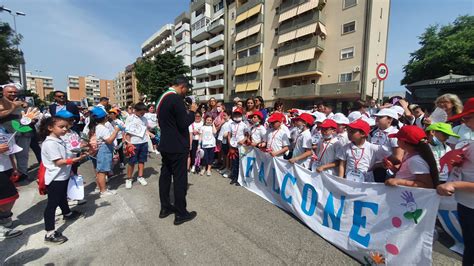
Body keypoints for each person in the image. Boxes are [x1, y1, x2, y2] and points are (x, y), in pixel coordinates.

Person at [436, 99, 474, 265]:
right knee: (470, 248)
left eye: (467, 119)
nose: (464, 123)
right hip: (465, 204)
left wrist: (454, 185)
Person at [157, 77, 198, 225]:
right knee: (180, 179)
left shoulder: (162, 98)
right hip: (177, 146)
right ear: (182, 86)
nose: (186, 92)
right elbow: (183, 123)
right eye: (186, 89)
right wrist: (192, 112)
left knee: (165, 176)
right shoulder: (175, 99)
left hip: (166, 144)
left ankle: (165, 207)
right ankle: (181, 213)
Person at [39, 116, 86, 244]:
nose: (65, 129)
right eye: (61, 127)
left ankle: (67, 213)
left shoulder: (58, 140)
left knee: (61, 197)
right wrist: (75, 160)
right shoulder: (50, 143)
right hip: (55, 178)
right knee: (52, 204)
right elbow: (59, 162)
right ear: (50, 128)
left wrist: (80, 150)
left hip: (63, 175)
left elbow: (66, 154)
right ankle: (49, 233)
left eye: (66, 126)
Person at [0, 84, 32, 181]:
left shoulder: (23, 103)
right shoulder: (1, 103)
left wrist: (32, 119)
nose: (13, 94)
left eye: (15, 92)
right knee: (7, 156)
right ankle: (10, 174)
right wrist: (13, 107)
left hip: (23, 133)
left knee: (23, 155)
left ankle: (22, 173)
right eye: (10, 92)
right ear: (3, 93)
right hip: (6, 134)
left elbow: (32, 113)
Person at [370, 108, 404, 182]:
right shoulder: (375, 132)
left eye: (380, 117)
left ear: (390, 120)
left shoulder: (395, 133)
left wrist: (390, 174)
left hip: (385, 171)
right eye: (377, 117)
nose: (377, 119)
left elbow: (398, 159)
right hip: (372, 169)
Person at [0, 126, 22, 239]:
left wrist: (14, 168)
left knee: (10, 197)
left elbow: (10, 150)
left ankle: (4, 217)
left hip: (6, 167)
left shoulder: (2, 128)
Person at [124, 102, 150, 189]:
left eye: (144, 113)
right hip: (133, 143)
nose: (143, 114)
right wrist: (128, 143)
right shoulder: (130, 118)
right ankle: (129, 179)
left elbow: (145, 130)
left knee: (142, 160)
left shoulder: (144, 119)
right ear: (136, 111)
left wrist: (150, 133)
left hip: (143, 142)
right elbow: (127, 132)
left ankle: (140, 176)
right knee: (131, 162)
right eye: (141, 112)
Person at [227, 108, 248, 186]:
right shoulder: (231, 124)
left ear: (241, 115)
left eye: (238, 114)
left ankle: (240, 178)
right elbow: (229, 135)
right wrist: (230, 145)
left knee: (241, 162)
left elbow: (247, 135)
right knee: (234, 162)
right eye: (235, 114)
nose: (237, 116)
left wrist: (243, 140)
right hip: (233, 145)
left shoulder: (244, 124)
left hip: (241, 146)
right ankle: (234, 177)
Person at [217, 110, 232, 178]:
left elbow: (230, 131)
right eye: (223, 115)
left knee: (229, 156)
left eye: (225, 115)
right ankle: (226, 167)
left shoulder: (231, 122)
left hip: (228, 142)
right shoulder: (224, 122)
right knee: (225, 155)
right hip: (223, 141)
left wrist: (227, 134)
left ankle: (229, 169)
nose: (223, 117)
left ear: (229, 116)